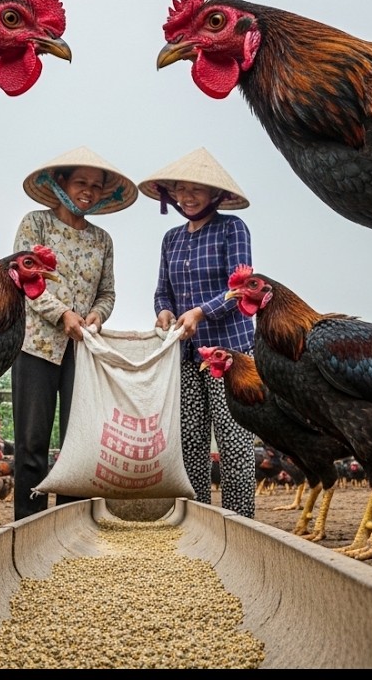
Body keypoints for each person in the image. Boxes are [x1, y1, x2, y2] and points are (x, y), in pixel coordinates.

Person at [11, 146, 138, 521]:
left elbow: (107, 292)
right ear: (60, 182)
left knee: (76, 443)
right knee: (32, 442)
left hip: (82, 351)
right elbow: (24, 279)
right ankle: (28, 524)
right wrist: (63, 313)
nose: (89, 191)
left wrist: (96, 317)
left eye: (96, 186)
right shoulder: (37, 224)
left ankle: (67, 525)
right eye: (81, 182)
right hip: (35, 345)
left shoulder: (102, 240)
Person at [142, 147, 257, 519]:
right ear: (170, 194)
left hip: (230, 352)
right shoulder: (171, 239)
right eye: (179, 189)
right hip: (187, 354)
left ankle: (241, 523)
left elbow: (240, 288)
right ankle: (198, 521)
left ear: (216, 195)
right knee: (189, 439)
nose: (187, 197)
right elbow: (163, 290)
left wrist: (200, 312)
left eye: (196, 189)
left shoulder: (232, 229)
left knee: (233, 437)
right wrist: (164, 311)